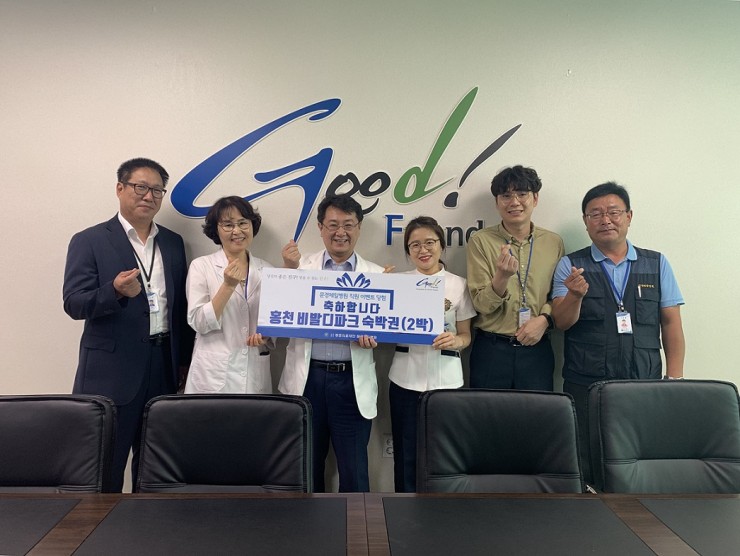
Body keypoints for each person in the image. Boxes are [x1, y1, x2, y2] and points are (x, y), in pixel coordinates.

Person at [63, 157, 192, 492]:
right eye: (140, 187)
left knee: (155, 466)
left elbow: (179, 309)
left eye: (157, 190)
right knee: (105, 465)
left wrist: (182, 362)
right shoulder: (90, 240)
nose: (149, 196)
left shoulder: (173, 243)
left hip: (162, 364)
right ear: (120, 188)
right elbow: (73, 303)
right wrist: (115, 291)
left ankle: (148, 523)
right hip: (112, 370)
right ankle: (98, 524)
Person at [551, 182, 685, 474]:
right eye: (595, 214)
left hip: (643, 381)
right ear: (586, 221)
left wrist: (674, 379)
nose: (605, 220)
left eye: (613, 212)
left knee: (640, 454)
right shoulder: (570, 265)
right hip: (586, 382)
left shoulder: (656, 263)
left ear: (629, 216)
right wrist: (574, 295)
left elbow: (671, 322)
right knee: (586, 457)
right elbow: (561, 322)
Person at [278, 193, 384, 492]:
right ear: (320, 228)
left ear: (359, 228)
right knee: (306, 465)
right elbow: (279, 314)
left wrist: (375, 338)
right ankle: (309, 522)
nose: (341, 232)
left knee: (354, 469)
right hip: (307, 379)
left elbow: (388, 329)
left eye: (348, 224)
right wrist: (287, 270)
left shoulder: (378, 276)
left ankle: (357, 521)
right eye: (333, 224)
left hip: (351, 382)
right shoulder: (298, 269)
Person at [388, 216, 476, 492]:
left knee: (444, 453)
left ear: (441, 245)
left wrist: (456, 340)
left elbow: (466, 335)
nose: (423, 250)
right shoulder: (396, 282)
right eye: (414, 245)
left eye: (429, 242)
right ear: (408, 250)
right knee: (406, 452)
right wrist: (380, 289)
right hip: (405, 379)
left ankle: (442, 509)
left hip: (446, 381)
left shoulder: (458, 284)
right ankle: (403, 507)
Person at [466, 165, 564, 390]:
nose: (514, 202)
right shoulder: (480, 241)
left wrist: (545, 319)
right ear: (497, 202)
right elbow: (481, 305)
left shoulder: (553, 242)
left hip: (537, 348)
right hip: (491, 349)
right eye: (506, 196)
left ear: (535, 198)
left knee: (537, 411)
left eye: (522, 194)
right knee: (487, 411)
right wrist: (501, 277)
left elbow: (558, 296)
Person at [184, 196, 273, 394]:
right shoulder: (201, 266)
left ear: (252, 226)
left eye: (243, 223)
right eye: (228, 225)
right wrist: (227, 286)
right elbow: (198, 322)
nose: (237, 231)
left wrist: (266, 335)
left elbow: (276, 320)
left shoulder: (267, 269)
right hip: (213, 374)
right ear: (216, 229)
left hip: (254, 370)